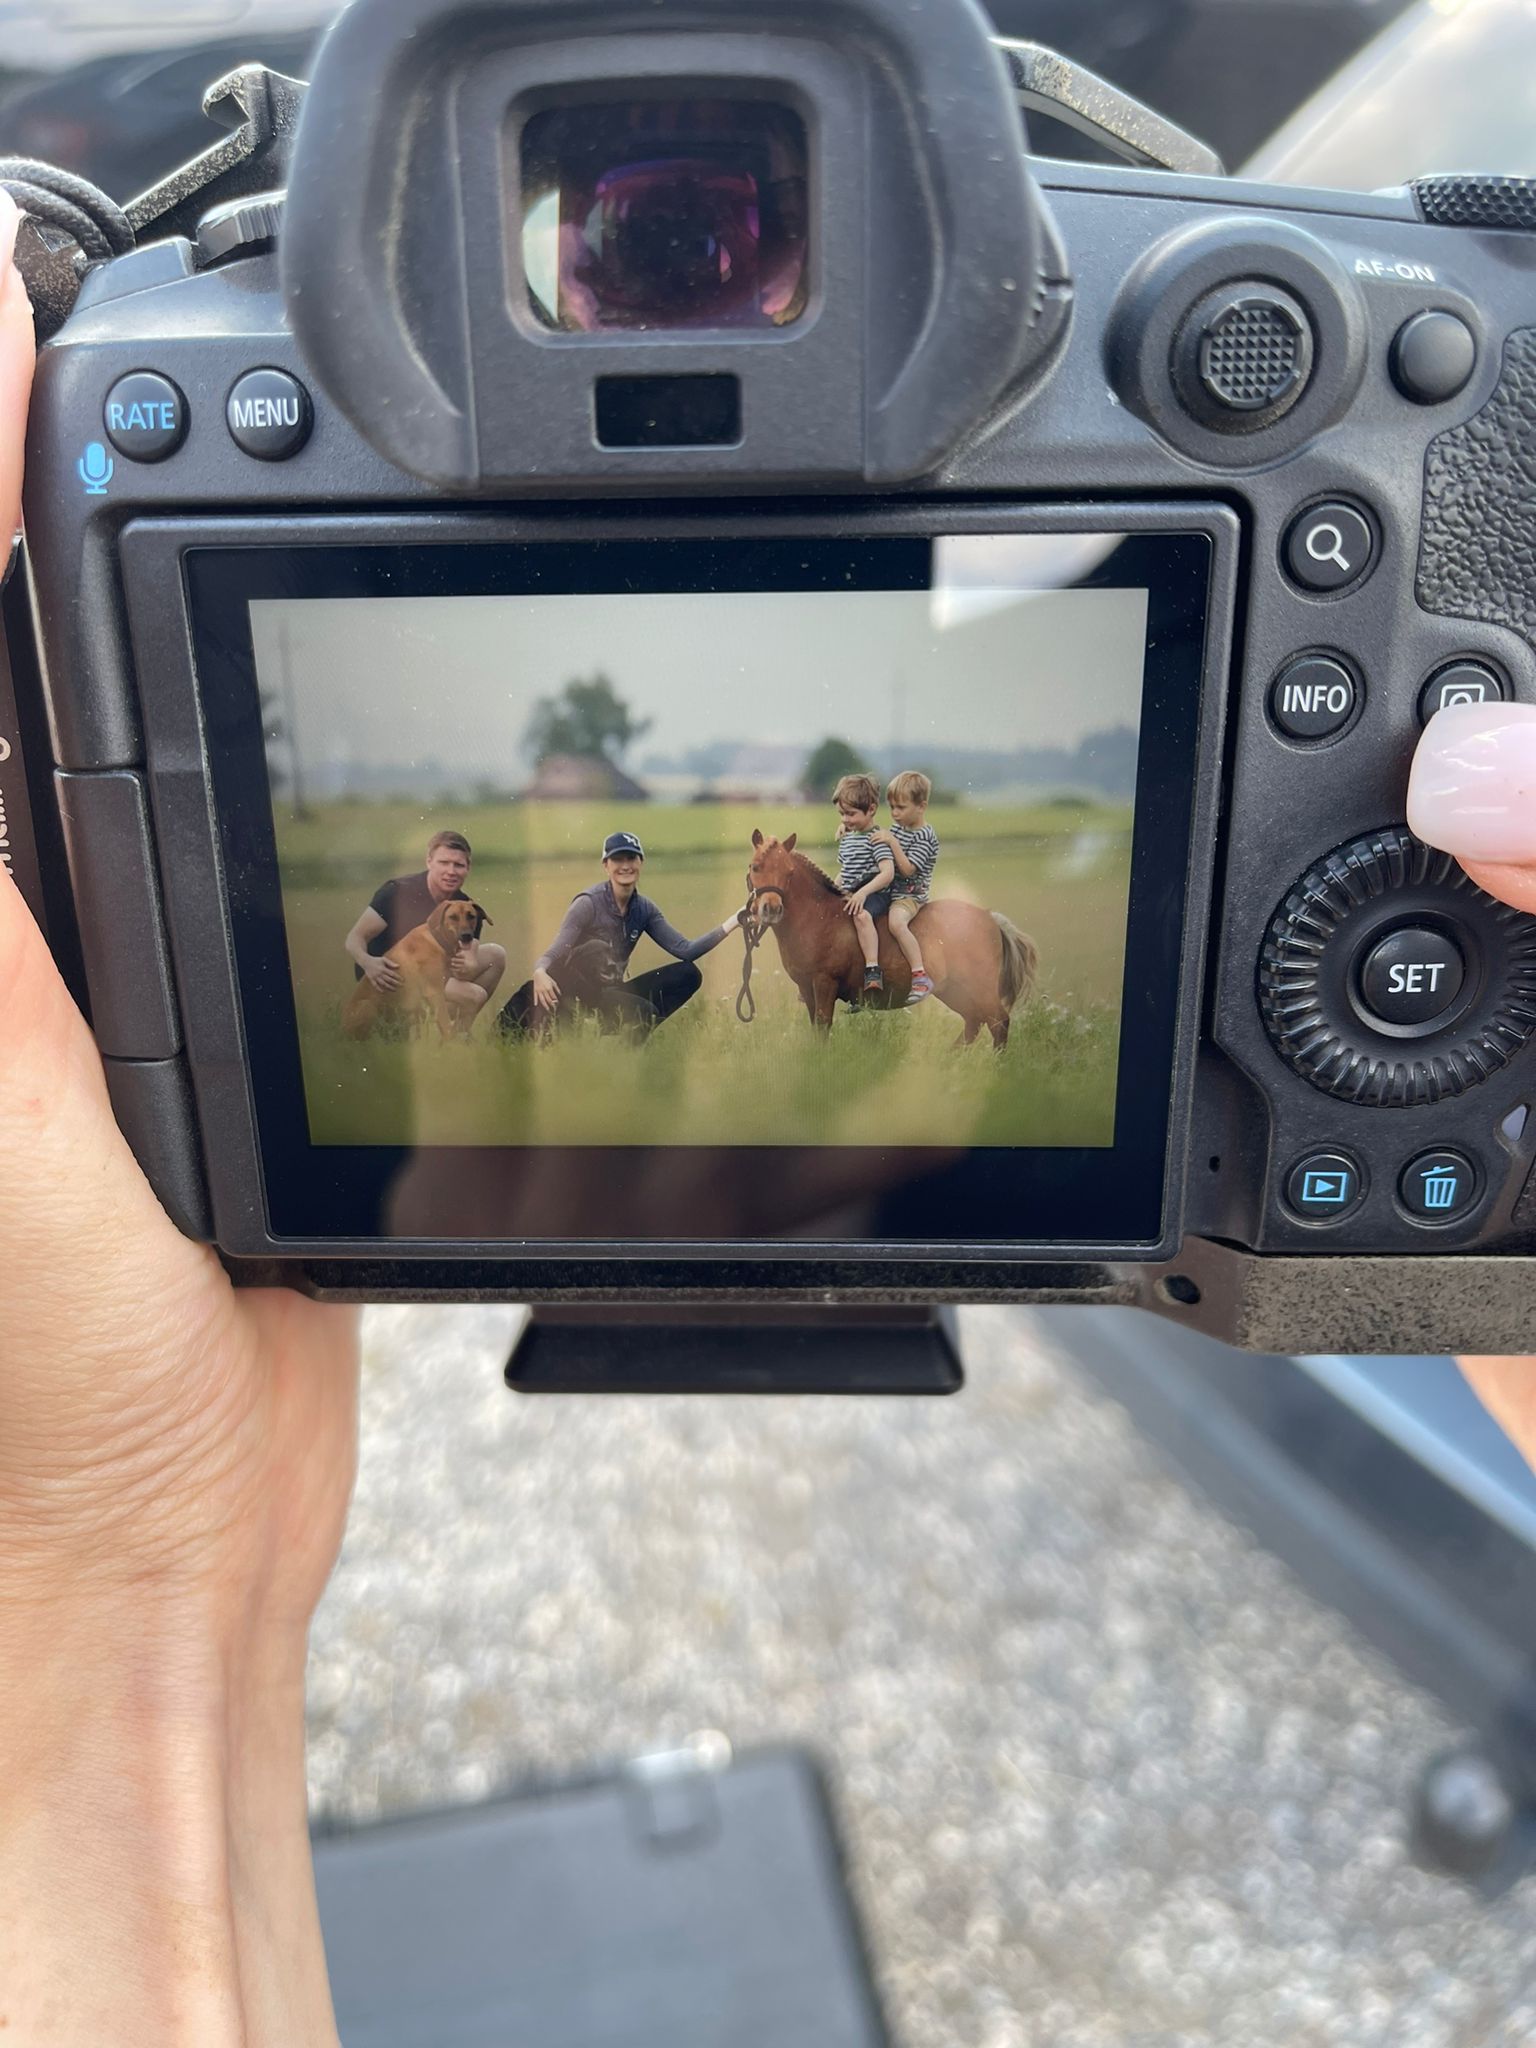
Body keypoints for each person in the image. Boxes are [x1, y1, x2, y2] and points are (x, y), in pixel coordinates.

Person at [5, 181, 1536, 2040]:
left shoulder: (880, 838)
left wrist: (116, 1574)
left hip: (878, 921)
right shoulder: (535, 891)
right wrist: (120, 1549)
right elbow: (636, 926)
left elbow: (759, 891)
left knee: (891, 928)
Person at [497, 829, 743, 1037]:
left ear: (641, 863)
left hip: (610, 991)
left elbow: (685, 950)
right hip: (574, 994)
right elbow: (555, 951)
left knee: (689, 974)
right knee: (642, 1009)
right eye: (617, 860)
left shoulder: (644, 908)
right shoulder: (588, 904)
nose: (625, 866)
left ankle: (629, 1036)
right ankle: (620, 1030)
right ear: (606, 865)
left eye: (631, 858)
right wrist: (539, 971)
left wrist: (734, 921)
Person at [343, 828, 506, 1033]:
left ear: (468, 868)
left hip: (432, 975)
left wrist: (469, 965)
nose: (451, 871)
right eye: (443, 863)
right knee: (473, 994)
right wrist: (368, 963)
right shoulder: (397, 892)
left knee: (496, 955)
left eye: (458, 865)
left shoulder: (467, 909)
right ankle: (444, 1033)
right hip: (387, 978)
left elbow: (469, 959)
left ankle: (448, 1033)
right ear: (429, 861)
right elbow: (354, 937)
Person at [871, 769, 940, 1004]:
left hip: (910, 896)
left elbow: (908, 869)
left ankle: (920, 976)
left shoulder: (926, 837)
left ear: (921, 806)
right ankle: (867, 981)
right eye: (891, 807)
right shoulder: (898, 828)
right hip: (890, 890)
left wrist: (891, 841)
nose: (894, 813)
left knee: (896, 924)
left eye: (900, 807)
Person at [830, 772, 896, 994]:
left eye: (851, 814)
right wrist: (832, 889)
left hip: (875, 893)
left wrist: (862, 894)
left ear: (871, 810)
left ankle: (872, 969)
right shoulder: (848, 837)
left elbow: (887, 873)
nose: (845, 820)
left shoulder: (876, 839)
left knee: (862, 916)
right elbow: (846, 871)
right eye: (841, 814)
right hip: (853, 891)